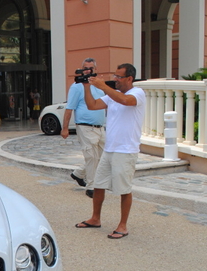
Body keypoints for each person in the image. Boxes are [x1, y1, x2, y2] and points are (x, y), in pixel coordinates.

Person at [75, 63, 146, 240]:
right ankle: (95, 218)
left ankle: (123, 225)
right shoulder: (111, 96)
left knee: (124, 188)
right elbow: (92, 105)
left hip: (126, 150)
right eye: (114, 76)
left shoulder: (137, 93)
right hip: (110, 149)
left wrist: (103, 86)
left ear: (129, 78)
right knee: (99, 184)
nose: (115, 79)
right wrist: (87, 86)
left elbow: (125, 101)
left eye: (119, 77)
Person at [61, 57, 106, 198]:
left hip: (100, 127)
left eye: (90, 68)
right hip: (85, 126)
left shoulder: (100, 85)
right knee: (91, 156)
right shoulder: (76, 87)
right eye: (85, 68)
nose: (87, 70)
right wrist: (65, 128)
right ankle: (91, 186)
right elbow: (69, 109)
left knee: (103, 156)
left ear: (95, 69)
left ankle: (78, 173)